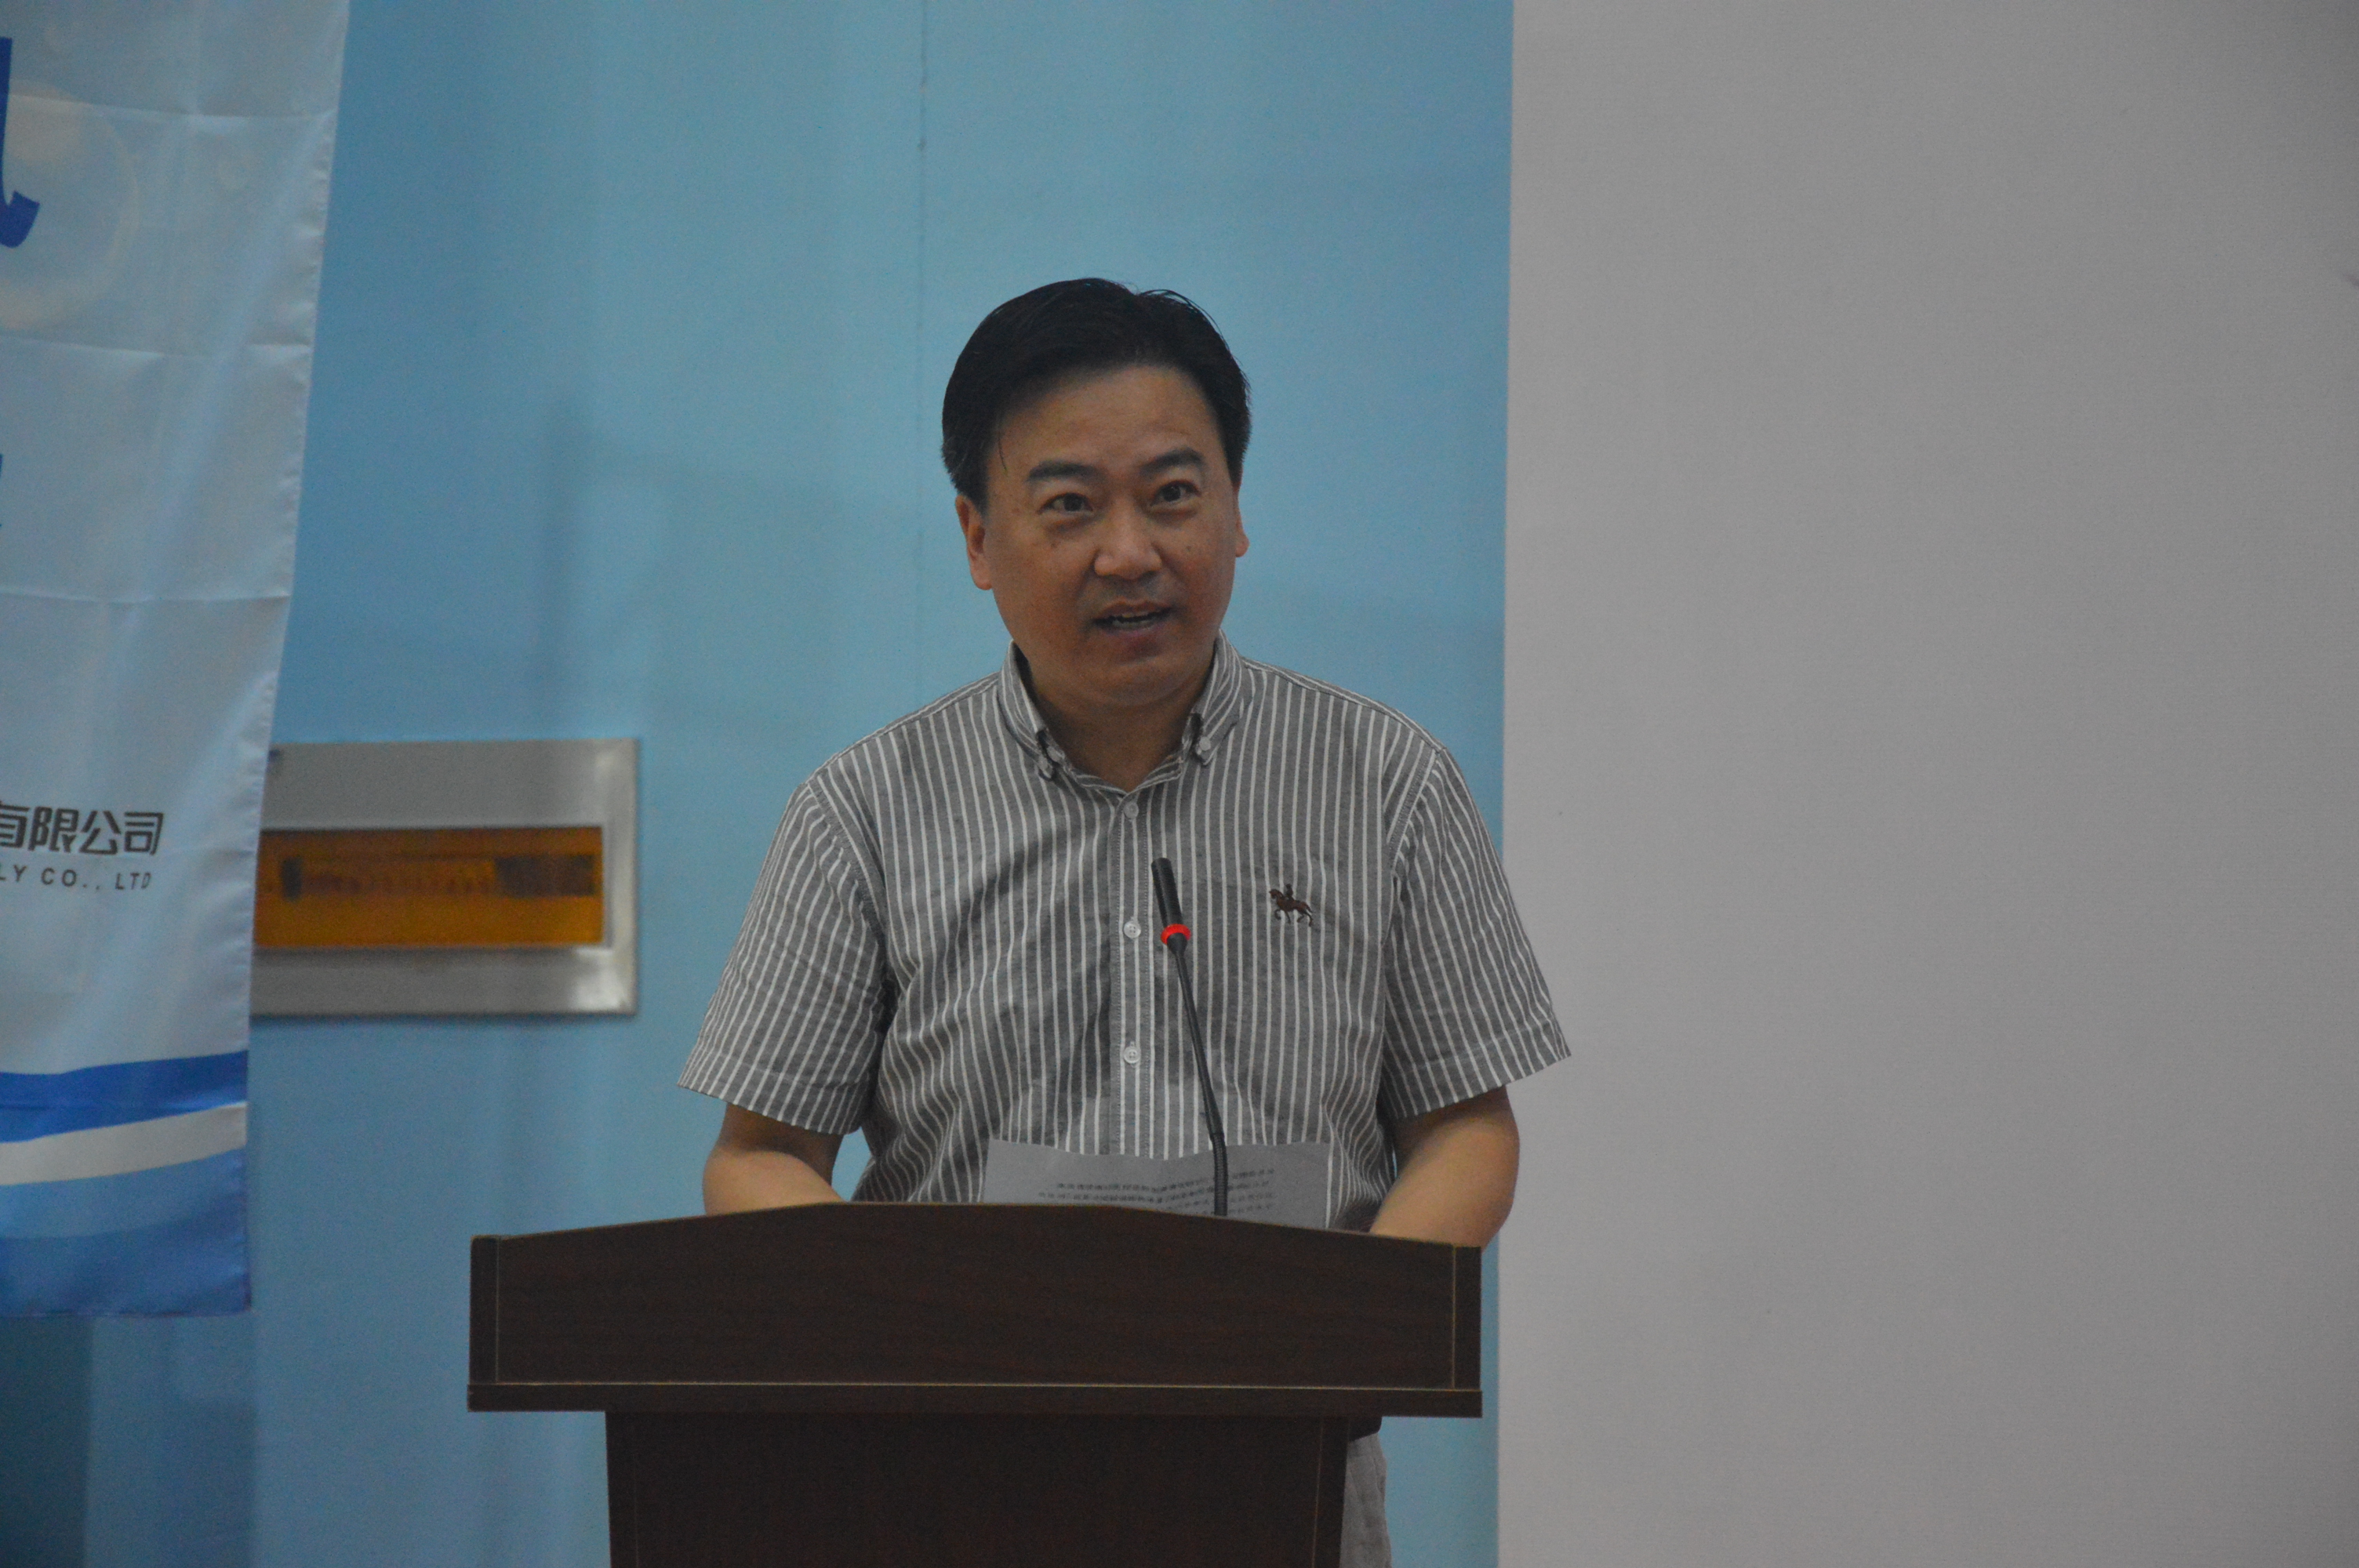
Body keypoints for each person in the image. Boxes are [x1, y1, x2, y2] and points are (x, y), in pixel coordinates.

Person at [681, 278, 1567, 1565]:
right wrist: (911, 1320)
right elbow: (757, 1157)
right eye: (1069, 506)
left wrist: (1342, 1335)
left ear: (1237, 509)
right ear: (978, 538)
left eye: (1171, 493)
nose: (1130, 553)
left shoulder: (1387, 783)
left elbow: (1467, 1128)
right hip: (941, 1477)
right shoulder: (863, 811)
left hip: (1288, 1474)